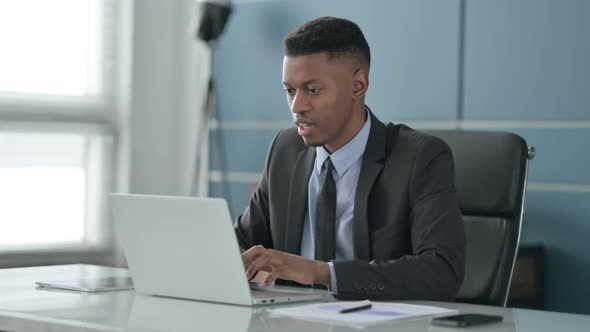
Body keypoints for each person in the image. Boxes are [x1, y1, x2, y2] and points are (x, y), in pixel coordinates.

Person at [235, 16, 466, 301]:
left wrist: (321, 272)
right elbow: (240, 245)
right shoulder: (285, 149)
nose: (297, 106)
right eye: (290, 91)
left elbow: (442, 272)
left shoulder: (419, 158)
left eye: (312, 90)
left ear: (358, 85)